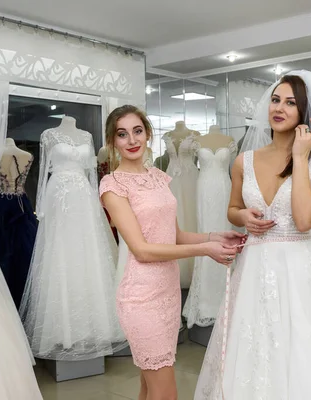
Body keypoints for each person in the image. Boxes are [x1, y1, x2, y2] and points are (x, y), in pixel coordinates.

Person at [194, 71, 311, 399]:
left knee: (301, 350)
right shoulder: (244, 161)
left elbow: (305, 219)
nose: (279, 108)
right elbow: (233, 208)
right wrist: (243, 216)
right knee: (252, 349)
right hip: (253, 268)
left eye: (290, 102)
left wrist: (299, 156)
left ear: (305, 114)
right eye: (275, 100)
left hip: (298, 270)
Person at [99, 105, 245, 400]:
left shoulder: (158, 177)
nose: (132, 140)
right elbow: (141, 249)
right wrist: (205, 249)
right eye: (122, 134)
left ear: (148, 134)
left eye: (137, 131)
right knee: (166, 393)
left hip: (168, 292)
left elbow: (174, 235)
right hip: (140, 296)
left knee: (149, 387)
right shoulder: (112, 186)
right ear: (113, 142)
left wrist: (213, 234)